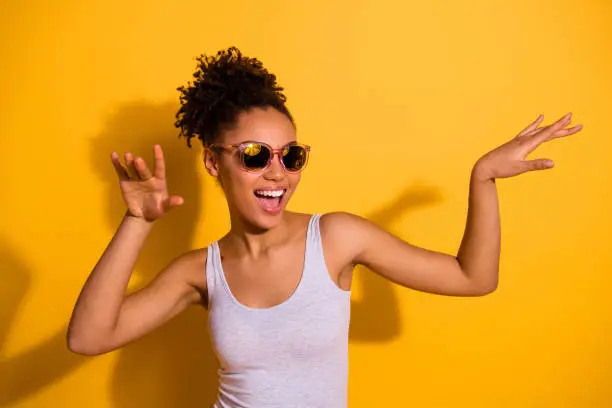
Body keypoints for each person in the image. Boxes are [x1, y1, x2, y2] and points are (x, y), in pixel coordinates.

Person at [66, 46, 583, 407]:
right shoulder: (200, 272)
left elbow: (474, 278)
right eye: (253, 155)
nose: (277, 173)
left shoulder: (334, 239)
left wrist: (483, 179)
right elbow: (88, 337)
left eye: (291, 155)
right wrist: (137, 221)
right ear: (212, 163)